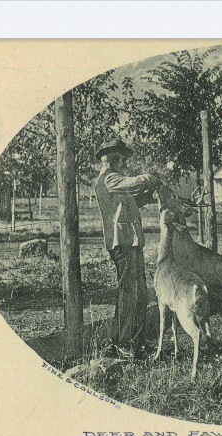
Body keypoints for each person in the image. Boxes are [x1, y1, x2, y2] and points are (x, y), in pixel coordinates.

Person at [94, 138, 162, 358]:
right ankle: (125, 343)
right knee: (129, 294)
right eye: (124, 159)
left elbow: (128, 202)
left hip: (130, 242)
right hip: (122, 243)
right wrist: (149, 179)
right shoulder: (109, 179)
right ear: (115, 159)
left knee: (138, 293)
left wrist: (145, 196)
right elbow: (131, 184)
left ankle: (135, 341)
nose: (126, 164)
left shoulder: (115, 181)